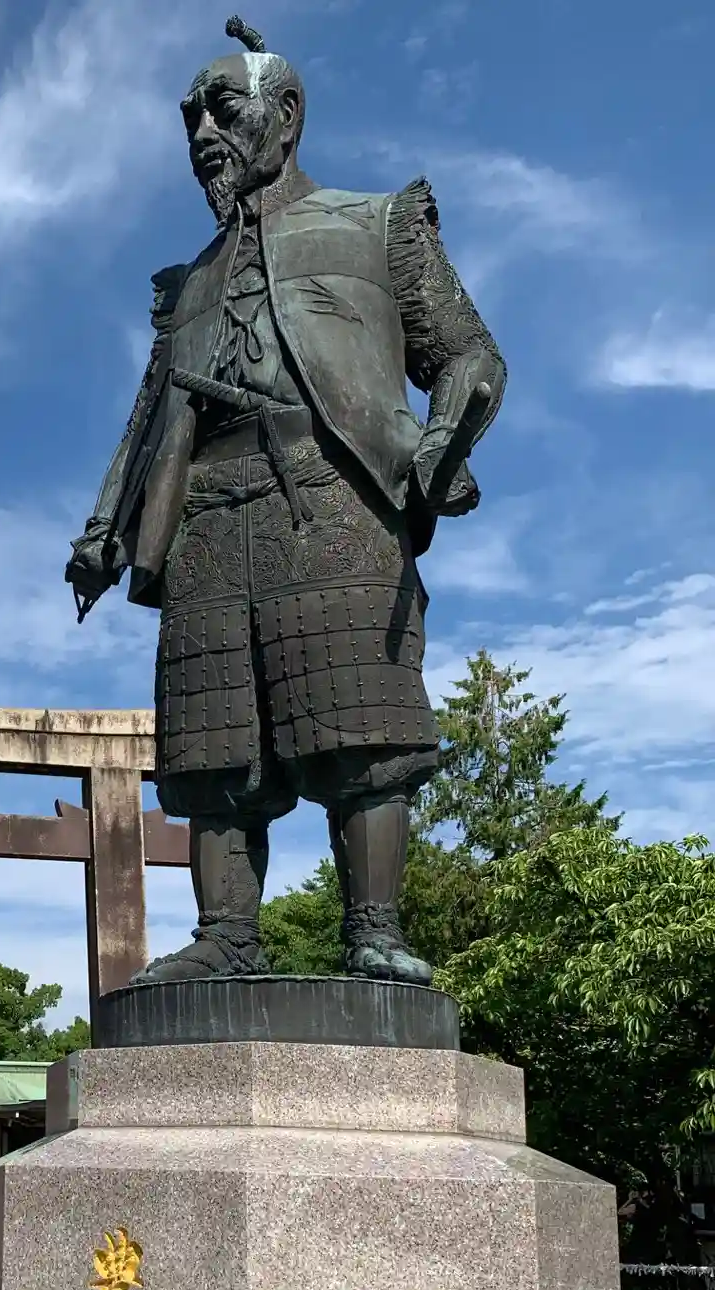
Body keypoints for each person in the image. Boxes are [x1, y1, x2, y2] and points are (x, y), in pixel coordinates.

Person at [65, 14, 504, 986]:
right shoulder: (188, 285)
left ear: (288, 114)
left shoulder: (377, 225)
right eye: (191, 120)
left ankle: (374, 930)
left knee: (362, 729)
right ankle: (226, 936)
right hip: (207, 520)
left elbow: (468, 354)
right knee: (214, 748)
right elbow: (149, 416)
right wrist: (105, 529)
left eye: (223, 111)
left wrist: (447, 432)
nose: (203, 136)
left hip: (335, 499)